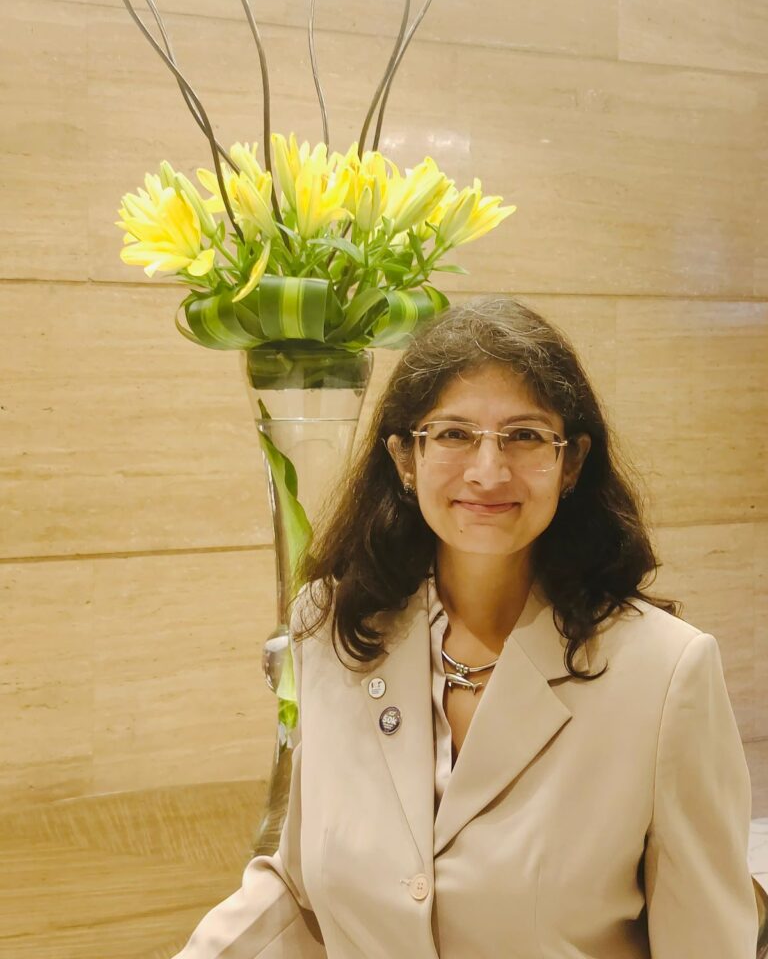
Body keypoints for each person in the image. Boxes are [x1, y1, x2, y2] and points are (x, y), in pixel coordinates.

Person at [172, 295, 758, 958]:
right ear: (405, 457)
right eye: (453, 434)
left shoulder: (666, 673)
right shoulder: (333, 625)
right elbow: (300, 885)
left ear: (571, 462)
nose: (488, 471)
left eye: (525, 436)